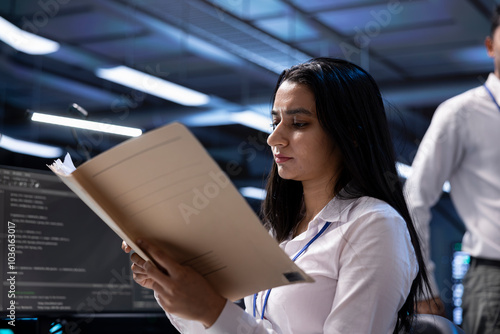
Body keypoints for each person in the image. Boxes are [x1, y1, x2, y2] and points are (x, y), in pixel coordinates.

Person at [122, 57, 431, 333]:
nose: (274, 138)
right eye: (275, 122)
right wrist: (172, 284)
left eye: (298, 123)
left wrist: (212, 309)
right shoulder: (278, 230)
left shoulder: (375, 225)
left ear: (349, 133)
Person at [403, 6, 500, 334]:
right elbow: (415, 198)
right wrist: (425, 287)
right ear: (490, 46)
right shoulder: (461, 113)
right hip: (493, 278)